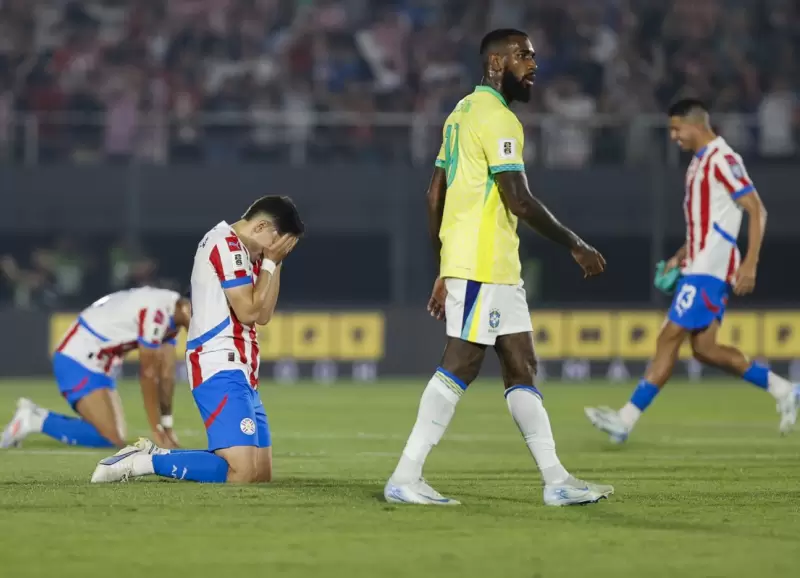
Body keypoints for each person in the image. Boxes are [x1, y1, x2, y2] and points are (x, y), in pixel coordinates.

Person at [383, 29, 614, 507]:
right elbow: (519, 199)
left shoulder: (461, 113)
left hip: (490, 266)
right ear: (496, 62)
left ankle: (556, 480)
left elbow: (434, 194)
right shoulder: (498, 118)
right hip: (484, 263)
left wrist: (444, 265)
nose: (533, 65)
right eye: (524, 56)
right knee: (462, 363)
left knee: (521, 366)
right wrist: (575, 243)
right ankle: (405, 475)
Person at [585, 98, 800, 443]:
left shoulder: (723, 160)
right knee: (705, 349)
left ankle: (625, 419)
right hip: (698, 265)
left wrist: (751, 262)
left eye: (676, 129)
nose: (673, 137)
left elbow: (757, 210)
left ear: (696, 125)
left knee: (668, 336)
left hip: (710, 271)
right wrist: (680, 254)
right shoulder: (699, 163)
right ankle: (783, 389)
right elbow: (708, 222)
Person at [91, 196, 303, 484]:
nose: (274, 251)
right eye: (277, 243)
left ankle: (154, 457)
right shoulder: (225, 244)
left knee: (259, 476)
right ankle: (144, 460)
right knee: (240, 473)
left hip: (243, 368)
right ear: (261, 226)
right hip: (219, 364)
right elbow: (248, 310)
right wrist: (270, 264)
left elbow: (262, 315)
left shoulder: (245, 252)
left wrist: (273, 264)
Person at [0, 287, 191, 450]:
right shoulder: (157, 311)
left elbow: (166, 375)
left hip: (99, 364)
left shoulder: (172, 312)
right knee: (111, 438)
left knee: (113, 436)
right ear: (185, 306)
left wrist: (167, 425)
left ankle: (34, 417)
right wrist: (157, 430)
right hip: (78, 358)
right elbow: (148, 374)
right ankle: (34, 419)